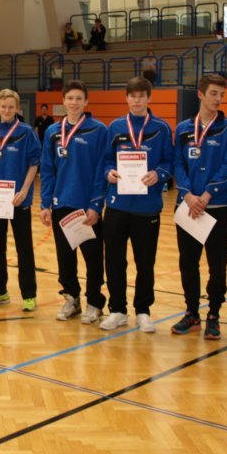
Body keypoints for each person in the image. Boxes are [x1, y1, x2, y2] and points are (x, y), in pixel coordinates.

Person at [100, 77, 174, 332]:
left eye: (141, 96)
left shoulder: (161, 128)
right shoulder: (116, 126)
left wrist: (159, 174)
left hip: (147, 207)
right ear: (127, 98)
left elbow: (169, 162)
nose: (137, 100)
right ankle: (117, 310)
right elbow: (106, 160)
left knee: (145, 263)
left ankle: (143, 310)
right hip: (117, 205)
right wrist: (109, 173)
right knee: (114, 261)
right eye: (132, 96)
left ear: (148, 98)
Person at [172, 74, 227, 339]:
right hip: (188, 206)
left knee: (217, 265)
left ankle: (214, 314)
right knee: (188, 263)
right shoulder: (182, 129)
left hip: (217, 206)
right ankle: (192, 313)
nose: (218, 99)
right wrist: (188, 194)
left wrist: (207, 195)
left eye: (222, 94)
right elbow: (178, 163)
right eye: (213, 93)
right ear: (200, 94)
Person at [39, 80, 108, 324]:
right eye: (70, 98)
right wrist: (45, 204)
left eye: (79, 98)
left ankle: (94, 303)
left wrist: (96, 205)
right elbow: (47, 170)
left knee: (93, 258)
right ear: (63, 101)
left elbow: (102, 170)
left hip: (87, 206)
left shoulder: (98, 130)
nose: (74, 103)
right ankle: (72, 298)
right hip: (61, 204)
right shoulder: (52, 132)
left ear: (86, 101)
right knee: (65, 256)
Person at [0, 89, 41, 311]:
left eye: (11, 107)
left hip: (19, 200)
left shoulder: (27, 132)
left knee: (24, 249)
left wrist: (24, 190)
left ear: (17, 108)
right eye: (3, 106)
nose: (7, 110)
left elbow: (34, 163)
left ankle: (29, 294)